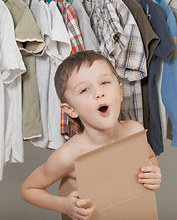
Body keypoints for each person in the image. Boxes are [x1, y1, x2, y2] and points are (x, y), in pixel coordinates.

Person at [20, 51, 162, 220]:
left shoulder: (134, 131)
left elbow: (150, 158)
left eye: (104, 82)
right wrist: (64, 205)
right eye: (84, 90)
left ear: (119, 91)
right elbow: (28, 189)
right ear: (70, 110)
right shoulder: (70, 154)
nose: (99, 93)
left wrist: (153, 171)